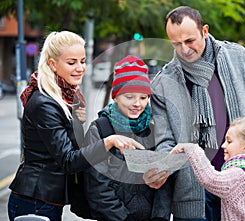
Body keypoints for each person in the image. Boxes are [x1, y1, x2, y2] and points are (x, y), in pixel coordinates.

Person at [143, 5, 245, 221]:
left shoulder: (238, 57)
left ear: (205, 31)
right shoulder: (164, 83)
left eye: (190, 41)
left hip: (241, 185)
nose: (184, 50)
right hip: (192, 193)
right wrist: (162, 166)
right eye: (176, 44)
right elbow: (166, 140)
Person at [7, 31, 144, 221]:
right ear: (53, 64)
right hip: (35, 201)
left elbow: (73, 147)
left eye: (83, 61)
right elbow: (68, 160)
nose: (80, 68)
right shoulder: (45, 103)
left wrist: (75, 121)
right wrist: (108, 142)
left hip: (46, 201)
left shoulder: (65, 99)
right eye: (72, 62)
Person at [82, 55, 172, 221]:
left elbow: (164, 183)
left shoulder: (155, 128)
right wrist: (122, 218)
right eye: (129, 97)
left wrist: (160, 216)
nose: (137, 103)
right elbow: (96, 186)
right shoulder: (100, 129)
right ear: (115, 97)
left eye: (143, 97)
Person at [171, 115, 245, 221]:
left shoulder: (239, 176)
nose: (223, 145)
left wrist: (192, 148)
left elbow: (210, 178)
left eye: (229, 141)